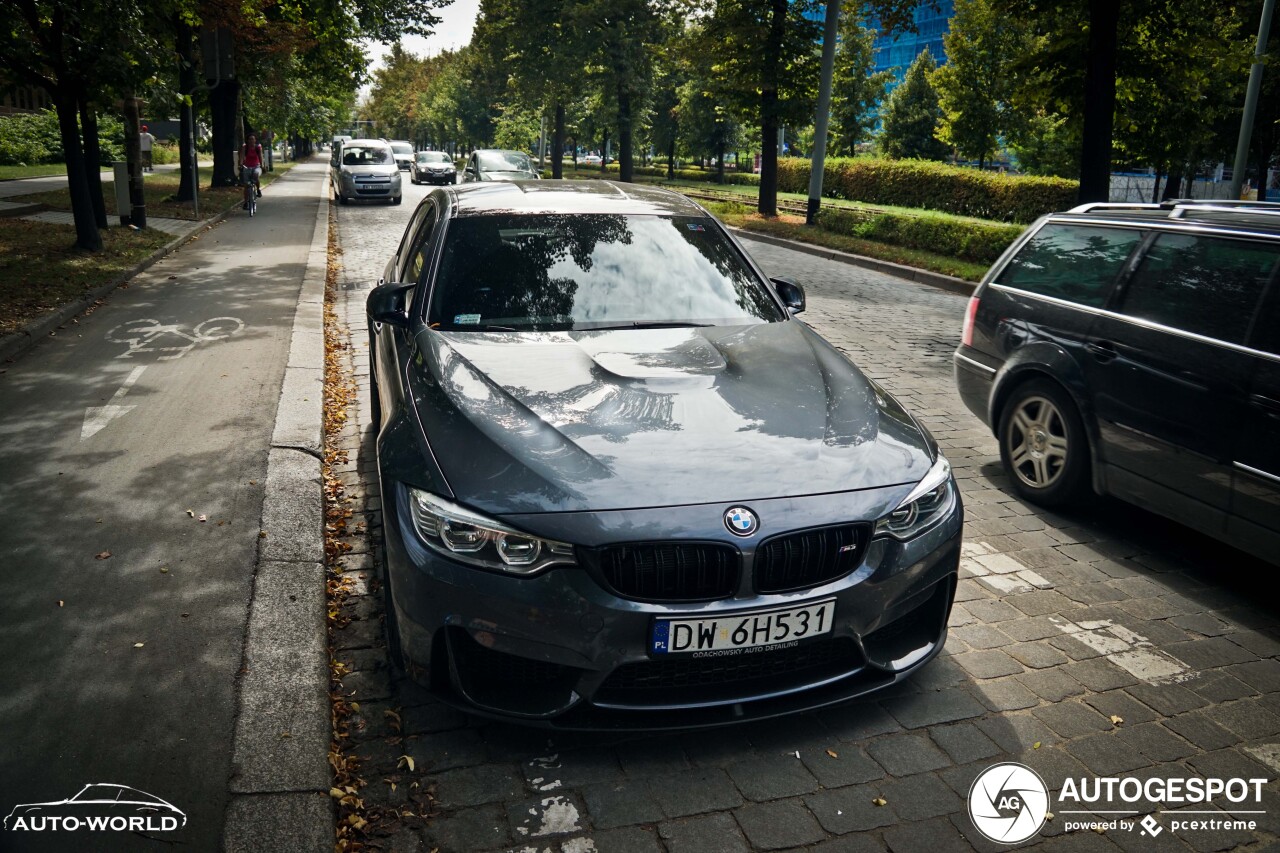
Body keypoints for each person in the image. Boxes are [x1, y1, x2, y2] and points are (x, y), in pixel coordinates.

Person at [239, 133, 265, 210]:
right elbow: (242, 156)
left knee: (256, 174)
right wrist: (240, 164)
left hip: (256, 166)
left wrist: (262, 165)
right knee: (246, 185)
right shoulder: (245, 147)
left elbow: (260, 156)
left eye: (253, 139)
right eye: (250, 139)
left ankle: (258, 189)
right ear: (248, 140)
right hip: (247, 166)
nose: (251, 141)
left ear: (255, 140)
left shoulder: (258, 147)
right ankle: (246, 202)